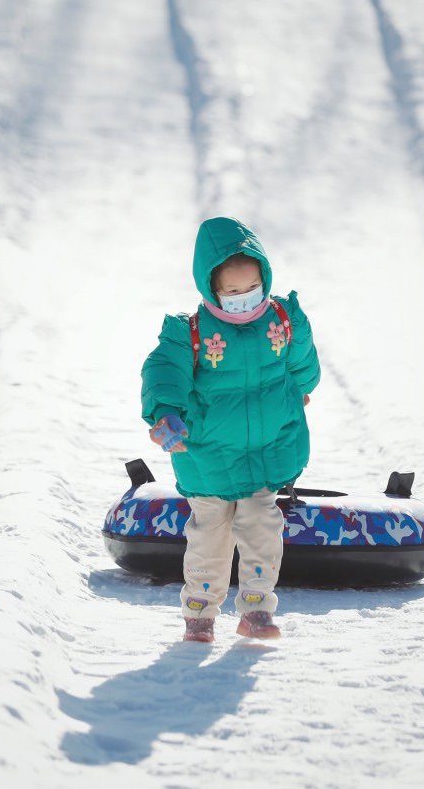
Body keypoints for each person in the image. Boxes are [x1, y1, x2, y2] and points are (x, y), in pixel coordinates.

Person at [140, 217, 320, 642]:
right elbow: (165, 372)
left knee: (262, 525)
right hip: (209, 455)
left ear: (265, 278)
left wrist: (301, 389)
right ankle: (200, 612)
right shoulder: (191, 332)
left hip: (264, 450)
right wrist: (164, 413)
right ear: (211, 288)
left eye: (252, 288)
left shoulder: (283, 318)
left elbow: (302, 364)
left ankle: (257, 609)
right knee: (210, 536)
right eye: (232, 292)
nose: (244, 299)